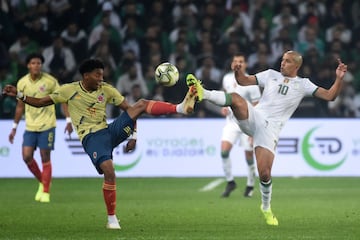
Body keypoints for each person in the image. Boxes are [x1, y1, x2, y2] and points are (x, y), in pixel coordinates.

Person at [3, 58, 196, 230]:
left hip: (109, 131)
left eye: (102, 75)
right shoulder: (68, 90)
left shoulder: (106, 89)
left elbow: (130, 111)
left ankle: (180, 107)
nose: (101, 79)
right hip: (91, 137)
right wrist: (19, 95)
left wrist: (134, 135)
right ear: (86, 76)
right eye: (97, 75)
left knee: (141, 104)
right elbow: (39, 102)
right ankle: (111, 218)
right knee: (109, 171)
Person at [185, 50, 347, 226]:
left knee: (264, 174)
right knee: (237, 98)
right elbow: (243, 81)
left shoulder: (303, 84)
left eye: (287, 61)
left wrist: (338, 78)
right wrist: (238, 71)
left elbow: (330, 96)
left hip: (270, 130)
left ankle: (265, 207)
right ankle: (202, 92)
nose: (282, 63)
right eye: (282, 60)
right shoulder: (270, 75)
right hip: (255, 116)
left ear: (297, 65)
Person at [8, 53, 72, 203]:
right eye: (33, 63)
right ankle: (43, 181)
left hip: (47, 125)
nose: (36, 65)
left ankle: (46, 192)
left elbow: (62, 99)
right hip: (30, 126)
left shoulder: (50, 81)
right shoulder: (22, 83)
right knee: (26, 157)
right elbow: (19, 106)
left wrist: (68, 120)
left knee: (45, 157)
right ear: (28, 65)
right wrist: (14, 127)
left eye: (39, 63)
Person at [220, 53, 261, 198]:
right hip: (231, 122)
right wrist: (224, 106)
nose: (238, 63)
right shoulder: (226, 79)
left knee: (248, 155)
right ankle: (230, 181)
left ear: (246, 64)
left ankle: (250, 185)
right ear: (232, 64)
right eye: (235, 61)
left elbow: (257, 107)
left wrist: (255, 131)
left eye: (241, 61)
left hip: (246, 124)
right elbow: (226, 96)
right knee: (224, 151)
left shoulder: (251, 82)